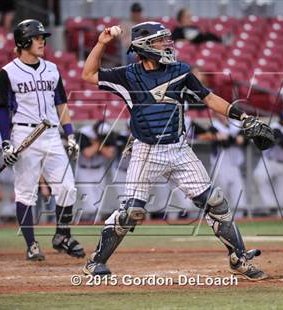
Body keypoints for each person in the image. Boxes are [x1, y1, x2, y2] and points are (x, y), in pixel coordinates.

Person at [81, 21, 269, 280]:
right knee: (131, 212)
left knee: (215, 203)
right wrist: (101, 43)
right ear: (145, 46)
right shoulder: (127, 74)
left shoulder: (180, 70)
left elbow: (209, 97)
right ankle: (96, 262)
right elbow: (88, 75)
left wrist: (243, 117)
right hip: (146, 151)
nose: (166, 45)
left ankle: (238, 258)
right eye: (159, 41)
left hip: (179, 149)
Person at [0, 19, 84, 260]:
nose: (42, 41)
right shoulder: (8, 72)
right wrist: (6, 142)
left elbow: (61, 102)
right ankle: (31, 245)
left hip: (53, 133)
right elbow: (3, 111)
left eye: (43, 37)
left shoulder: (52, 69)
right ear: (23, 41)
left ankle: (62, 236)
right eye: (37, 37)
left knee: (67, 187)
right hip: (24, 134)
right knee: (26, 193)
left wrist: (70, 132)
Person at [75, 121, 116, 221]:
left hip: (99, 170)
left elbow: (110, 154)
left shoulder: (109, 134)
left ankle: (87, 222)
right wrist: (100, 145)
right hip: (84, 170)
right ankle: (85, 220)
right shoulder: (84, 133)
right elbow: (87, 153)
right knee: (90, 203)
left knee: (98, 203)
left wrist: (97, 144)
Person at [207, 114, 248, 216]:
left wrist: (229, 137)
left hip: (234, 167)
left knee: (240, 200)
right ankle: (220, 222)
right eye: (219, 113)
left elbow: (245, 140)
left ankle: (241, 222)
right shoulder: (214, 126)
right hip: (219, 168)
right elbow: (226, 143)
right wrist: (234, 138)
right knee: (220, 200)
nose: (222, 115)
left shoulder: (237, 125)